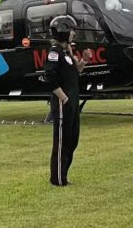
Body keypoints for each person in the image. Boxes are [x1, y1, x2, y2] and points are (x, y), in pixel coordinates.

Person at [45, 15, 92, 186]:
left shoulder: (67, 53)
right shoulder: (54, 53)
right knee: (61, 141)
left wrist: (84, 61)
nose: (73, 34)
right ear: (64, 32)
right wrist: (63, 97)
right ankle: (57, 179)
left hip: (73, 101)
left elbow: (75, 73)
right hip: (62, 102)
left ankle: (64, 175)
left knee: (72, 140)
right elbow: (50, 77)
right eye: (71, 30)